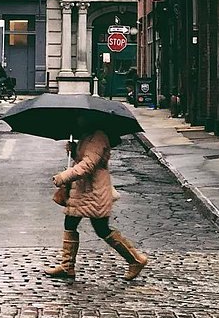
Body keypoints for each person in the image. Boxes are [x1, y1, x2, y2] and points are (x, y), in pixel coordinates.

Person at [45, 118, 148, 282]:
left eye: (81, 117)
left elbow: (87, 165)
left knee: (101, 229)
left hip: (95, 192)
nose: (78, 120)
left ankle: (135, 260)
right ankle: (67, 266)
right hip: (82, 191)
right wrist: (74, 150)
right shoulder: (87, 135)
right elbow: (83, 159)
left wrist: (63, 177)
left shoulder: (98, 138)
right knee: (70, 223)